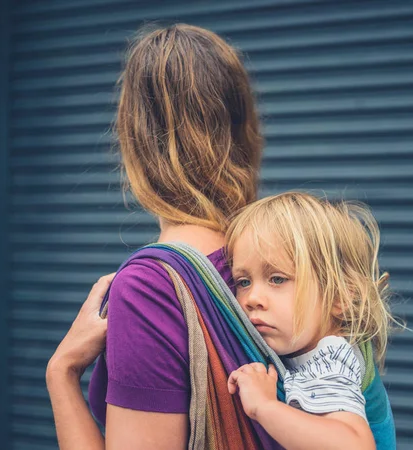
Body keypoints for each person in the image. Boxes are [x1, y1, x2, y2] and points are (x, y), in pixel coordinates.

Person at [46, 23, 271, 449]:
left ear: (135, 138)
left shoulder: (151, 288)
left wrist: (61, 372)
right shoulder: (292, 255)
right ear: (245, 127)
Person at [225, 192, 398, 449]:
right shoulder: (303, 348)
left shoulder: (331, 357)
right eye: (244, 282)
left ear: (339, 297)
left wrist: (263, 406)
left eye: (277, 278)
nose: (252, 298)